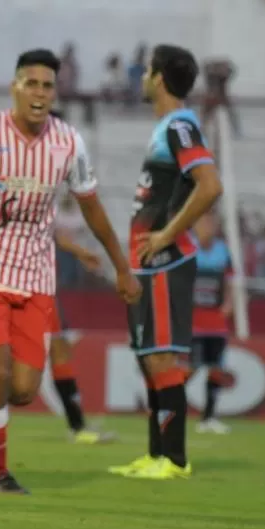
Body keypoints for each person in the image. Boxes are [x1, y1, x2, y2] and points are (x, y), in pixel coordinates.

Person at [0, 50, 140, 494]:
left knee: (23, 389)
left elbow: (93, 209)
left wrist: (121, 267)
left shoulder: (69, 143)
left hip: (35, 277)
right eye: (31, 83)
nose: (39, 93)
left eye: (48, 86)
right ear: (14, 86)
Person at [108, 44, 223, 481]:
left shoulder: (180, 125)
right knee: (148, 358)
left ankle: (174, 460)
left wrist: (165, 236)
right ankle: (156, 454)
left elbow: (210, 186)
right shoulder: (168, 127)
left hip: (165, 261)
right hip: (149, 263)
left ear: (157, 78)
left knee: (162, 361)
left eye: (147, 71)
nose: (142, 78)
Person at [0, 229, 118, 444]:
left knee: (58, 348)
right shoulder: (1, 207)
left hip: (41, 286)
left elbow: (50, 231)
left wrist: (79, 252)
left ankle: (77, 425)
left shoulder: (39, 205)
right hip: (9, 283)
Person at [190, 211, 233, 434]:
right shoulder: (188, 248)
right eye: (203, 222)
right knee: (189, 367)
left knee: (216, 366)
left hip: (215, 320)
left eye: (211, 222)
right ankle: (167, 407)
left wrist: (228, 303)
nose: (207, 226)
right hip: (192, 319)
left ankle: (208, 417)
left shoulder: (223, 251)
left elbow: (229, 280)